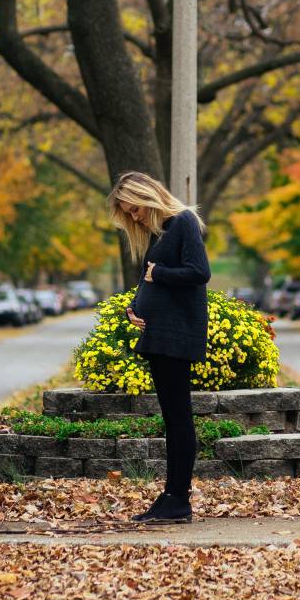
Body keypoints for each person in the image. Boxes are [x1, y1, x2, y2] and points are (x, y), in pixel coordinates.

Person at [107, 171, 211, 524]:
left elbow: (199, 273)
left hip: (176, 335)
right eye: (129, 214)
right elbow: (152, 277)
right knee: (172, 418)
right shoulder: (162, 233)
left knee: (179, 418)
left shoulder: (182, 222)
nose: (134, 217)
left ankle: (178, 499)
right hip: (160, 334)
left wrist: (158, 277)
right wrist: (135, 308)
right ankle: (170, 496)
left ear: (148, 197)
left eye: (134, 210)